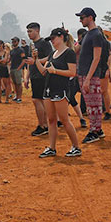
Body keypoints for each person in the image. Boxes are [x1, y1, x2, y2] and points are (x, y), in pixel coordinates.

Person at [35, 28, 82, 158]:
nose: (52, 41)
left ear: (61, 37)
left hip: (60, 89)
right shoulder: (53, 53)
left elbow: (72, 73)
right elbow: (44, 72)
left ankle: (76, 147)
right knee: (51, 120)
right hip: (49, 88)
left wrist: (55, 71)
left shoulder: (69, 53)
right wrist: (36, 60)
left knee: (64, 120)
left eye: (53, 38)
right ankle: (52, 147)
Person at [75, 7, 106, 143]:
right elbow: (76, 48)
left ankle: (95, 130)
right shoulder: (88, 34)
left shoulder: (96, 35)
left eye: (82, 17)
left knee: (94, 104)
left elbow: (96, 58)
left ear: (90, 18)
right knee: (90, 103)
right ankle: (97, 129)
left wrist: (88, 78)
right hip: (84, 73)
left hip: (90, 75)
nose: (80, 20)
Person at [25, 22, 52, 136]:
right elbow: (29, 62)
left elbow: (50, 57)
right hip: (34, 75)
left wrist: (37, 61)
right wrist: (27, 77)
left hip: (42, 75)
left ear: (37, 31)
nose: (29, 34)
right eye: (28, 32)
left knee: (38, 100)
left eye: (30, 31)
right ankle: (43, 124)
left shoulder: (44, 43)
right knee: (38, 100)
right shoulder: (32, 45)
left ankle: (43, 125)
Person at [8, 37, 26, 102]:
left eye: (14, 41)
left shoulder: (21, 50)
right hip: (12, 68)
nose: (13, 42)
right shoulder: (12, 51)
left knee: (19, 83)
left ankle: (19, 97)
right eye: (12, 41)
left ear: (18, 42)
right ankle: (16, 95)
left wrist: (19, 68)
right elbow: (9, 59)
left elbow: (24, 60)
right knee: (14, 83)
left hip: (17, 69)